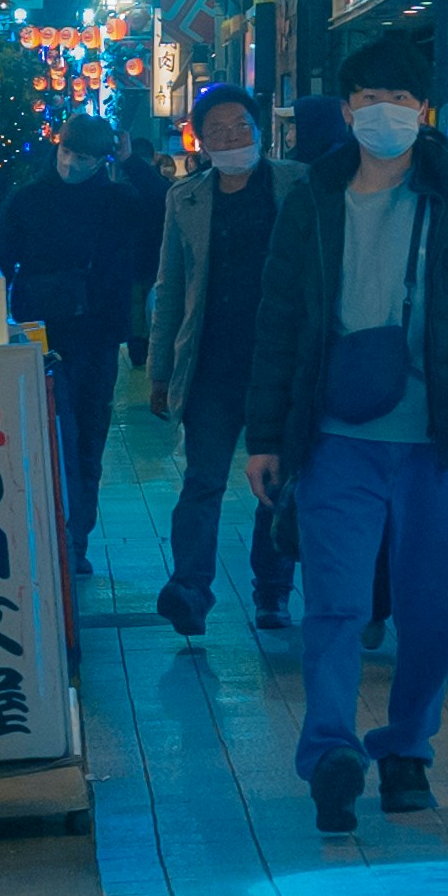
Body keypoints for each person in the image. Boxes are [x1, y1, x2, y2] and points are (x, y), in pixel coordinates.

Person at [237, 64, 448, 835]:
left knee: (435, 617)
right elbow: (277, 323)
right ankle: (331, 752)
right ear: (347, 109)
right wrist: (265, 436)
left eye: (400, 97)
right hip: (337, 438)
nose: (386, 111)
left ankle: (406, 747)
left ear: (423, 108)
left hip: (440, 441)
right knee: (335, 605)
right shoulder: (313, 201)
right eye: (371, 98)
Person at [144, 86, 300, 637]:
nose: (232, 138)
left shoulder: (298, 184)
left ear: (260, 130)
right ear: (201, 142)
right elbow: (170, 286)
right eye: (218, 130)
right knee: (203, 480)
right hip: (210, 362)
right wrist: (159, 370)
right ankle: (190, 588)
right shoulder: (185, 199)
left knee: (275, 481)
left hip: (279, 363)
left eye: (241, 127)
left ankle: (273, 591)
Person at [0, 111, 157, 574]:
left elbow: (162, 212)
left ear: (102, 159)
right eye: (66, 151)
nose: (71, 163)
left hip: (96, 336)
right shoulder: (28, 199)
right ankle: (54, 535)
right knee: (52, 436)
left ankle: (74, 539)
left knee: (86, 438)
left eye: (83, 157)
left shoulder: (118, 200)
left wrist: (133, 162)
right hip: (40, 338)